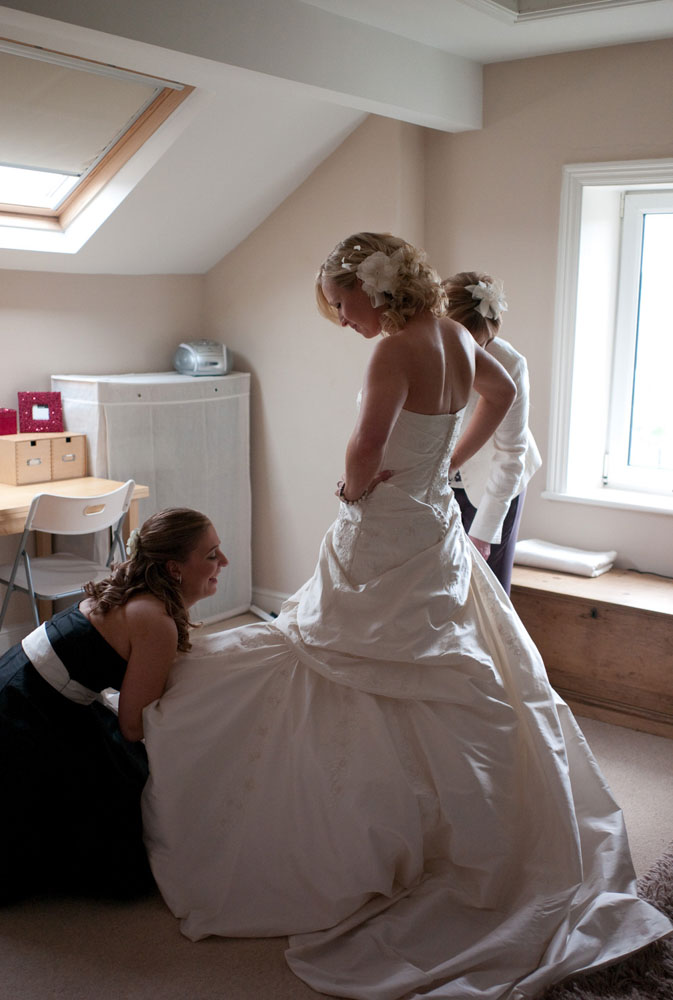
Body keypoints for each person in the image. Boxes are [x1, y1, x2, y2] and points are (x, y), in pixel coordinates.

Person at [141, 234, 672, 1000]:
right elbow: (503, 395)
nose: (340, 316)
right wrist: (446, 463)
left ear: (374, 290)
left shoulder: (393, 352)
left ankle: (363, 829)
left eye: (342, 301)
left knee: (346, 655)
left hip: (389, 523)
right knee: (428, 666)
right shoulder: (457, 334)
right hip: (432, 527)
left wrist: (353, 490)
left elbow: (364, 445)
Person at [0, 506, 227, 903]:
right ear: (174, 569)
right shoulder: (155, 620)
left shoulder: (138, 592)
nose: (222, 562)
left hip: (19, 679)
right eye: (211, 555)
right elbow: (133, 727)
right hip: (23, 714)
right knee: (126, 802)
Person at [444, 270, 541, 594]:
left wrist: (484, 532)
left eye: (482, 345)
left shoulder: (510, 364)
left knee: (486, 591)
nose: (472, 356)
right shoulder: (424, 349)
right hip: (441, 481)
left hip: (495, 482)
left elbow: (512, 454)